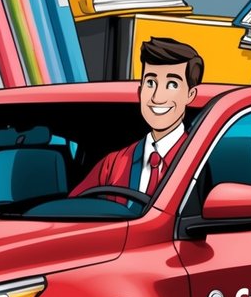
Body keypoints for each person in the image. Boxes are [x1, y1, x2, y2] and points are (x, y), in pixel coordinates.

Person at [70, 37, 203, 200]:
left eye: (172, 84)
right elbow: (71, 211)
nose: (157, 97)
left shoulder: (200, 161)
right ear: (140, 91)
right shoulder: (113, 164)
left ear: (190, 94)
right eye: (151, 83)